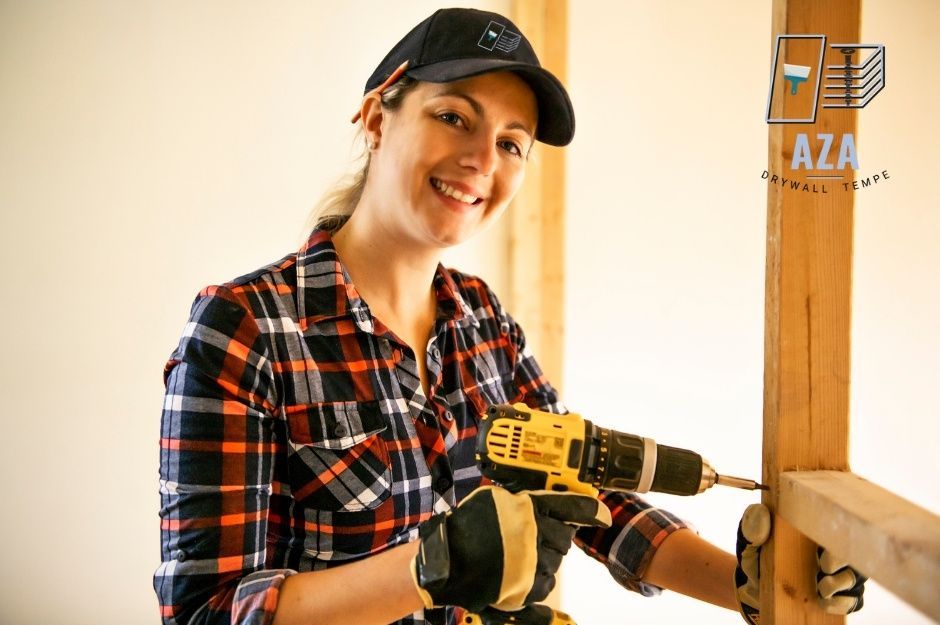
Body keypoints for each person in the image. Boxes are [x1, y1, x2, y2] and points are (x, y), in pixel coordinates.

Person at [155, 8, 865, 625]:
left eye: (510, 143)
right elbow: (207, 610)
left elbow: (588, 494)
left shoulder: (483, 321)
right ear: (377, 116)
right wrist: (428, 567)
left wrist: (757, 589)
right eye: (453, 117)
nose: (479, 161)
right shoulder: (246, 328)